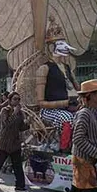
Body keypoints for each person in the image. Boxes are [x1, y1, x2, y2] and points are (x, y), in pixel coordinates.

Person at [36, 16, 80, 152]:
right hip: (50, 111)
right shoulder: (44, 69)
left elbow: (78, 88)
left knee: (95, 116)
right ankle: (64, 150)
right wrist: (64, 103)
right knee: (67, 119)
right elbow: (41, 103)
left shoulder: (67, 68)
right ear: (51, 48)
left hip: (71, 107)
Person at [0, 92, 29, 192]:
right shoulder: (5, 110)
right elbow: (6, 124)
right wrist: (15, 113)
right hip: (4, 143)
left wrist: (28, 123)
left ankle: (20, 185)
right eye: (15, 99)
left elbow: (20, 127)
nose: (17, 101)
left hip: (15, 143)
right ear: (10, 100)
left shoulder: (20, 113)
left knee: (17, 166)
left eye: (18, 99)